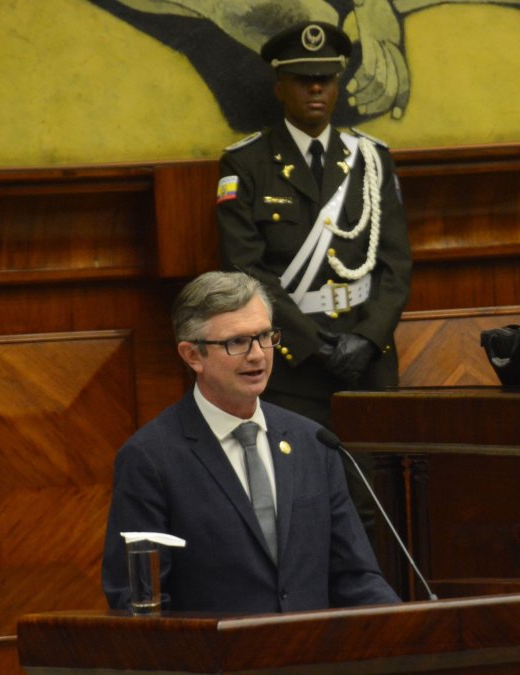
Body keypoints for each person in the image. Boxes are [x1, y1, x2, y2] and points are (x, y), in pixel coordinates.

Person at [101, 271, 400, 613]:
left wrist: (410, 631)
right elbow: (137, 603)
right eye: (237, 342)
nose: (258, 355)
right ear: (192, 356)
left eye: (264, 336)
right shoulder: (150, 458)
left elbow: (355, 577)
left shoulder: (313, 441)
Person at [214, 20, 412, 532]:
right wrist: (317, 346)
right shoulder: (247, 163)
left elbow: (395, 267)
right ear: (279, 86)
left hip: (366, 367)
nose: (317, 89)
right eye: (304, 79)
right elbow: (248, 271)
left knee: (373, 507)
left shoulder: (372, 160)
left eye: (326, 78)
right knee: (300, 506)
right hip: (294, 366)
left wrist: (366, 341)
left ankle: (376, 611)